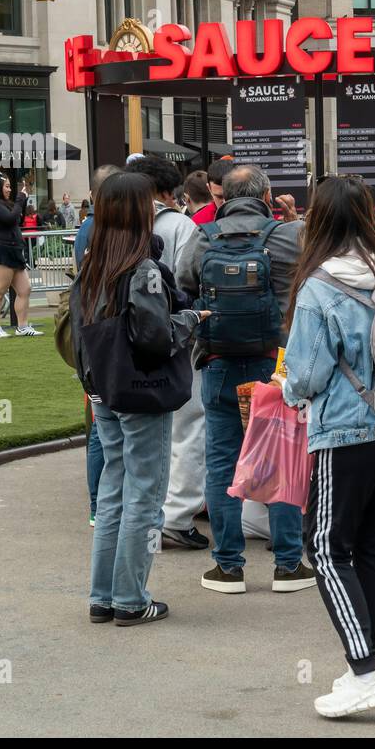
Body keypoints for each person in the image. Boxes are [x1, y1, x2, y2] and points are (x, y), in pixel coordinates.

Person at [281, 175, 375, 718]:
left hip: (346, 432)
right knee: (373, 549)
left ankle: (365, 669)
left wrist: (288, 390)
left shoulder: (320, 286)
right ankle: (363, 663)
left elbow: (309, 372)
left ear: (317, 219)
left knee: (324, 547)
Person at [70, 171, 207, 626]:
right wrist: (190, 318)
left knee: (114, 491)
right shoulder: (141, 269)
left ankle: (104, 595)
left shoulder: (91, 264)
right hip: (140, 389)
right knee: (144, 496)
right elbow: (154, 337)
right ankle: (130, 598)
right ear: (136, 210)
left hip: (105, 387)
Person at [177, 165, 317, 595]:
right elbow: (310, 282)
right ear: (267, 194)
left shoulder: (203, 236)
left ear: (221, 197)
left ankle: (229, 566)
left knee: (221, 464)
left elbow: (184, 284)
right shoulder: (288, 235)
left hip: (218, 361)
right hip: (274, 364)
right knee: (279, 458)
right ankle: (289, 564)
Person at [128, 154, 212, 549]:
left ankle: (145, 513)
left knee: (134, 437)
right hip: (172, 337)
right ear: (168, 189)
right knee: (187, 424)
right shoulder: (182, 225)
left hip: (121, 346)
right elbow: (185, 282)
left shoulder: (113, 226)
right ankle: (176, 515)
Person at [73, 164, 123, 528]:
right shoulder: (106, 231)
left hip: (92, 345)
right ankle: (102, 505)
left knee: (101, 430)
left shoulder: (88, 230)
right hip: (107, 344)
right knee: (106, 432)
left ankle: (99, 506)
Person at [0, 173, 42, 338]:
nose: (9, 190)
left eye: (9, 186)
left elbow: (17, 219)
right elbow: (10, 219)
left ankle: (22, 326)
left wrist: (20, 202)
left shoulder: (4, 203)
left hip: (13, 250)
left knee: (25, 289)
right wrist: (20, 199)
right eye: (6, 186)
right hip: (0, 251)